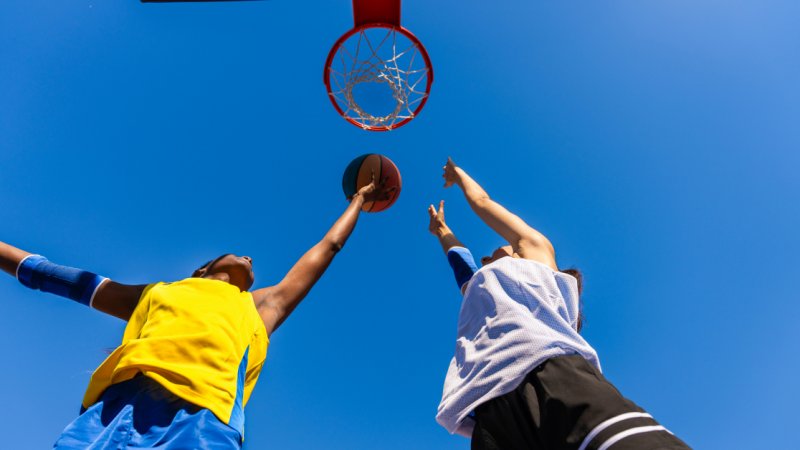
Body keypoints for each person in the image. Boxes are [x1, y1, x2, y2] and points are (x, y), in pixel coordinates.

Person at [1, 179, 388, 449]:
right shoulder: (160, 292)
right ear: (201, 269)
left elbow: (329, 246)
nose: (250, 258)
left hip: (203, 421)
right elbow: (60, 278)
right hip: (114, 410)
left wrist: (358, 200)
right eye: (238, 253)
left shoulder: (260, 307)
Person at [428, 158, 690, 450]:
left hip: (550, 372)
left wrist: (459, 175)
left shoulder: (534, 253)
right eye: (485, 260)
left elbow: (481, 200)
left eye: (492, 252)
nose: (486, 257)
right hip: (491, 411)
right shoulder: (480, 289)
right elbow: (462, 266)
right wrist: (441, 230)